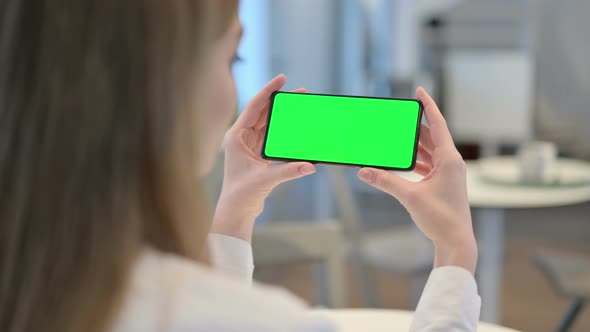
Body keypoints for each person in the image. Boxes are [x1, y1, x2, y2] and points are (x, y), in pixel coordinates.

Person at [0, 1, 480, 332]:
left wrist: (233, 215)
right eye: (234, 55)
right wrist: (456, 251)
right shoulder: (268, 322)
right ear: (166, 83)